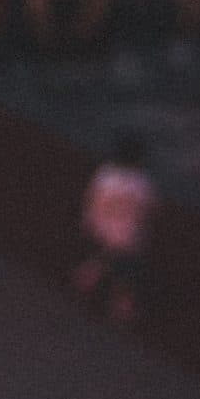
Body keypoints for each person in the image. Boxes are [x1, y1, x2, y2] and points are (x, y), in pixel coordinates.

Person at [73, 132, 159, 326]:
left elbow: (90, 203)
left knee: (106, 256)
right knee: (128, 270)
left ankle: (94, 269)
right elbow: (149, 214)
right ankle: (121, 304)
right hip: (126, 242)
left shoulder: (105, 175)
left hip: (97, 231)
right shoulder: (143, 185)